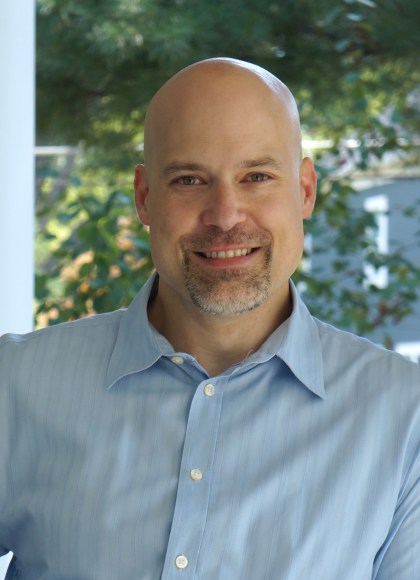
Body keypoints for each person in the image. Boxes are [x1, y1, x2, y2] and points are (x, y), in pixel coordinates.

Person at [0, 58, 419, 580]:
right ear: (145, 198)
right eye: (190, 179)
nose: (225, 215)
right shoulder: (14, 387)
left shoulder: (404, 417)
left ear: (305, 190)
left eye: (257, 177)